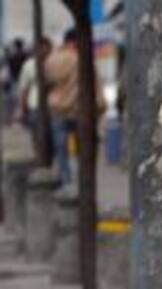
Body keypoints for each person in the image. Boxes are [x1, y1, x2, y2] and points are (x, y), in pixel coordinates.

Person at [43, 29, 85, 185]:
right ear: (74, 41)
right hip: (78, 108)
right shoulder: (81, 58)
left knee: (61, 149)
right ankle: (82, 180)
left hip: (57, 108)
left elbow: (47, 81)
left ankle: (66, 180)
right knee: (83, 148)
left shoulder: (52, 59)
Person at [16, 37, 51, 156]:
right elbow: (24, 88)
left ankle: (48, 158)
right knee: (37, 136)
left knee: (51, 137)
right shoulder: (29, 65)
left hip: (53, 106)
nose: (43, 51)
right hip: (35, 105)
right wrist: (21, 108)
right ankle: (40, 158)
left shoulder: (53, 63)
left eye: (45, 48)